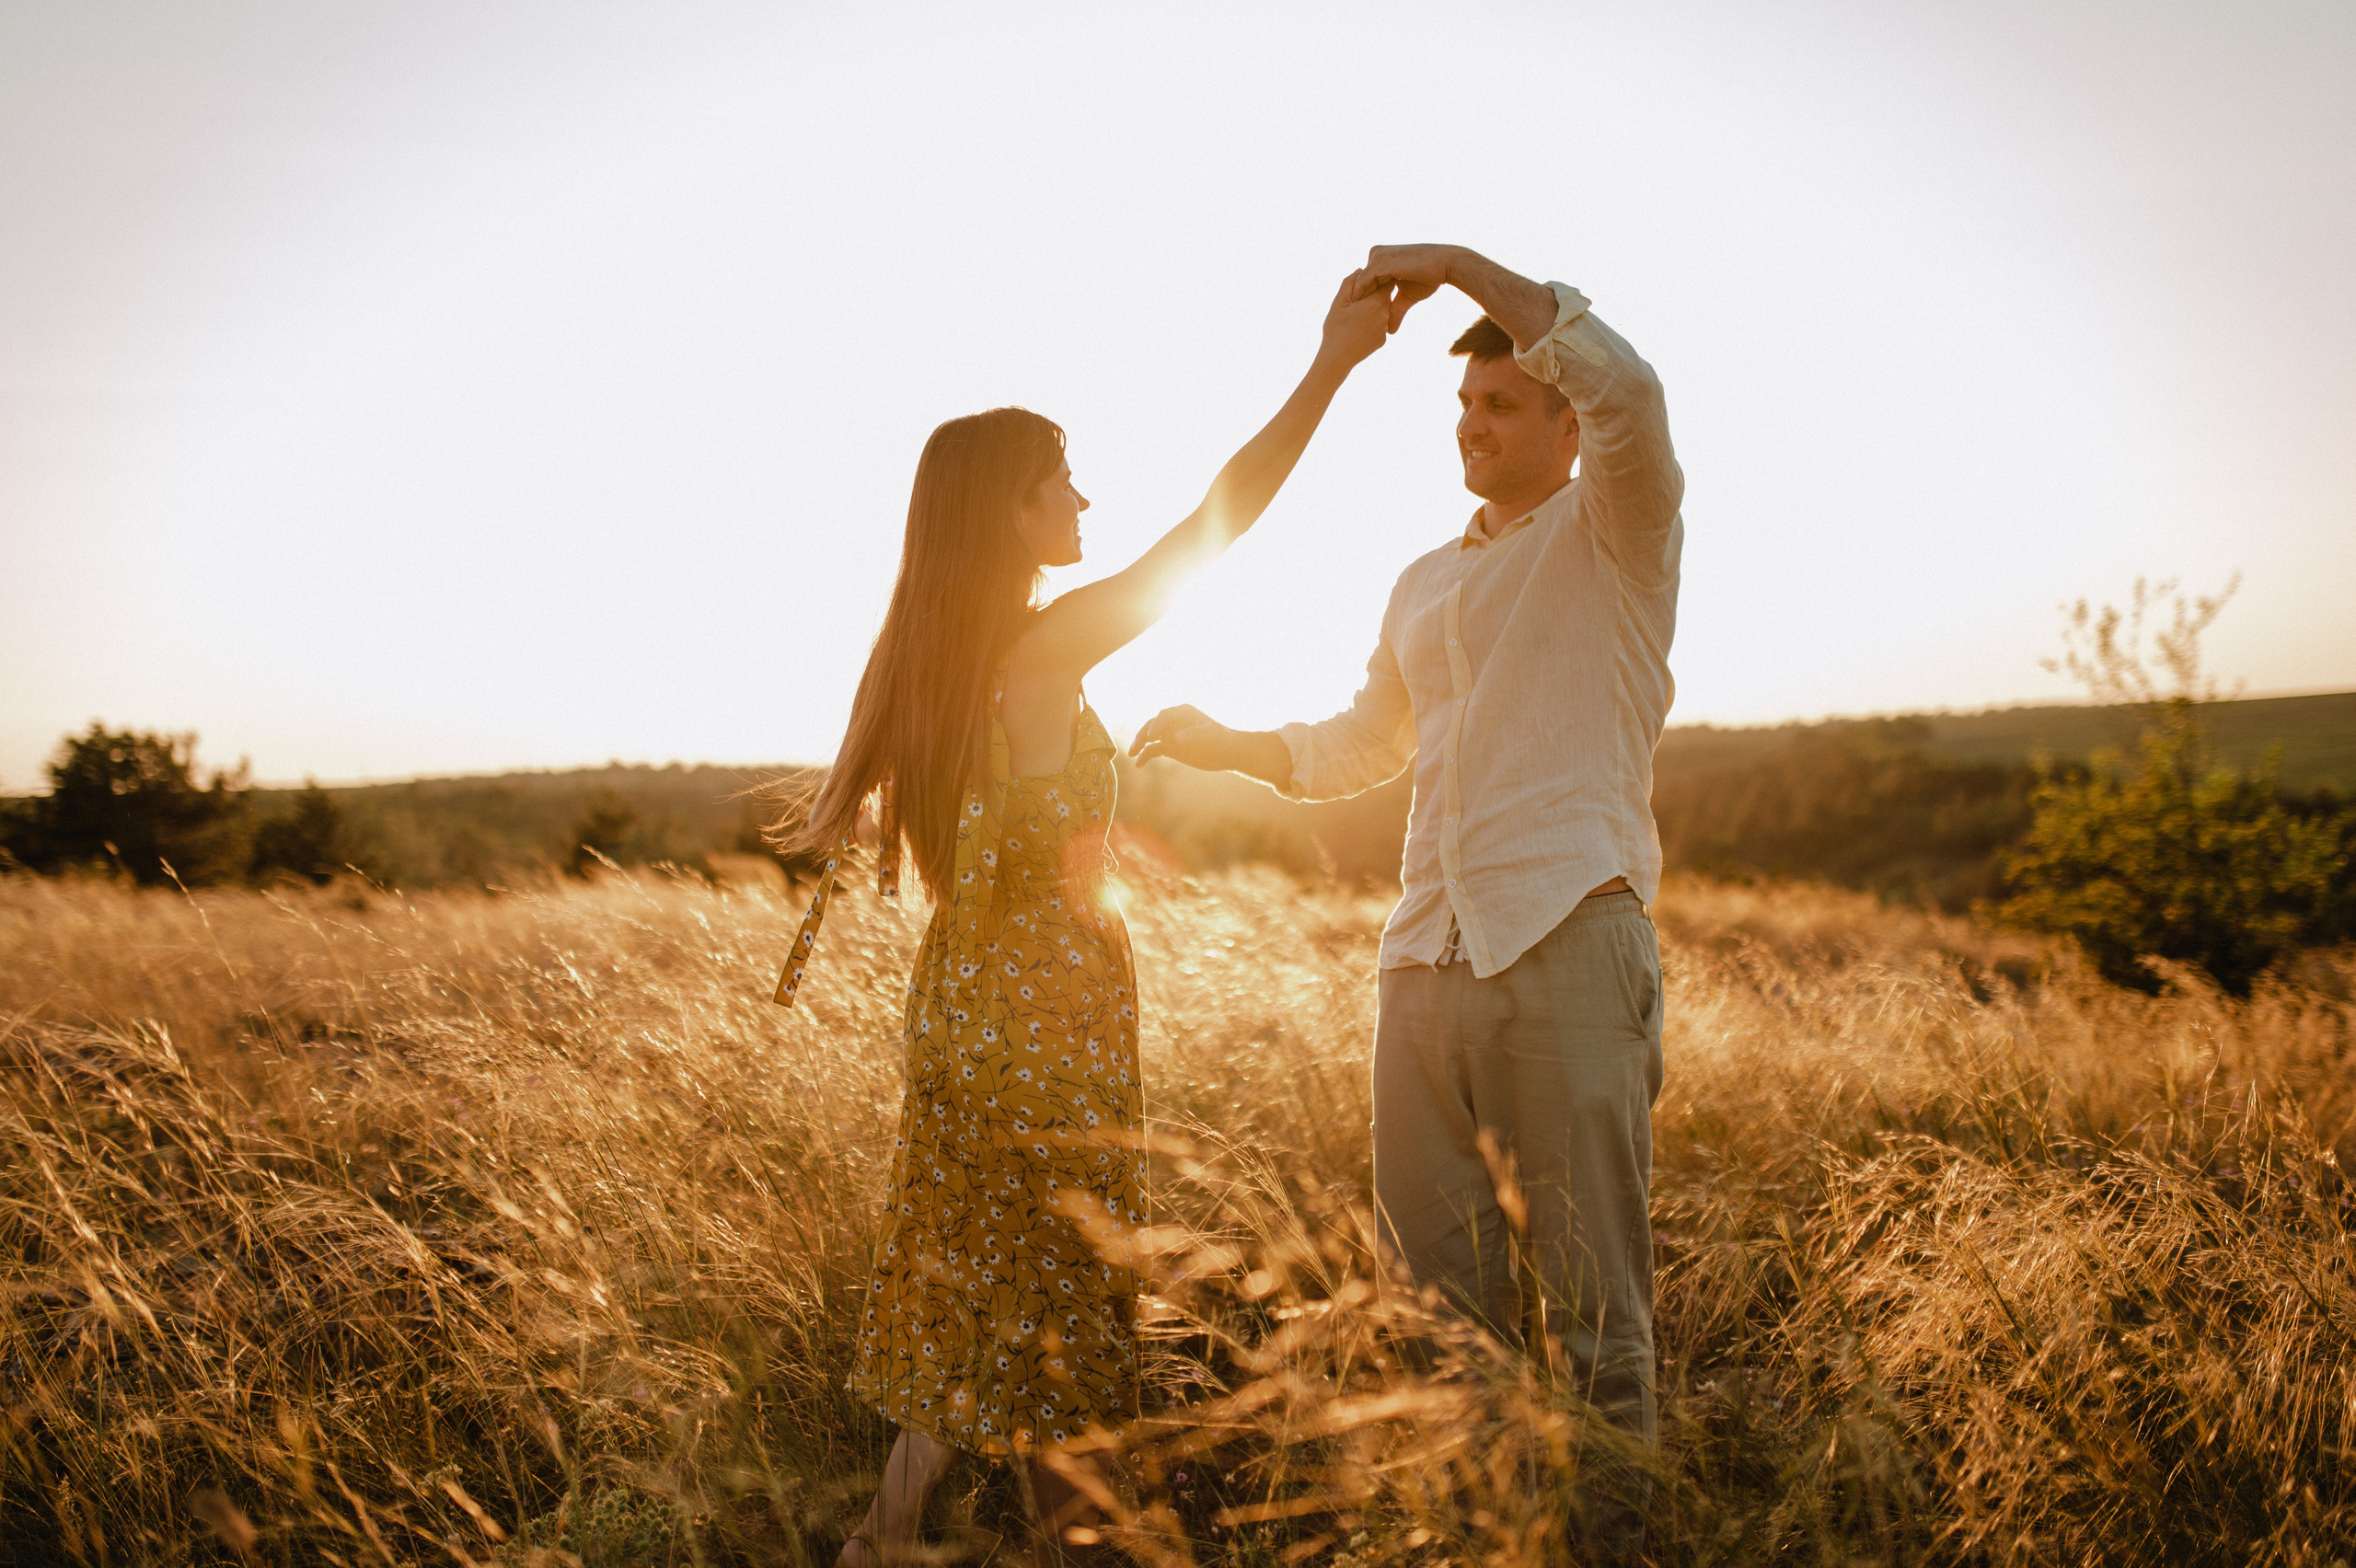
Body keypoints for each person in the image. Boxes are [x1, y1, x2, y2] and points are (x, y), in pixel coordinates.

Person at [776, 270, 1394, 1566]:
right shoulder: (1041, 653)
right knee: (1066, 1326)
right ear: (1003, 510)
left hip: (959, 1016)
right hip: (1042, 1032)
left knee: (981, 1304)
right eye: (1062, 479)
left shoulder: (927, 663)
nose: (1084, 499)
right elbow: (1215, 528)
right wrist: (1331, 367)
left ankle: (885, 1541)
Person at [1130, 244, 1682, 1551]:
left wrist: (1458, 268)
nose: (1473, 427)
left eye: (1500, 405)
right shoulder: (1422, 581)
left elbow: (1633, 394)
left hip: (1569, 935)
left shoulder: (1620, 528)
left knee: (1602, 1325)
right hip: (1421, 967)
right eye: (1463, 409)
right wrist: (1233, 743)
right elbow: (1363, 744)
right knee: (1440, 1332)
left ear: (1560, 421)